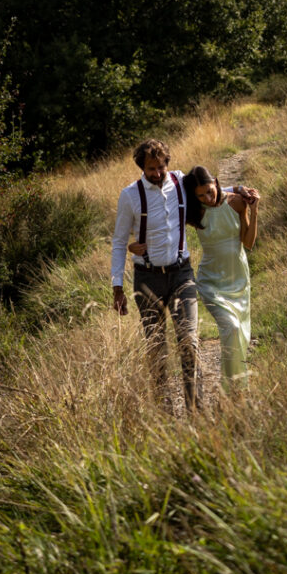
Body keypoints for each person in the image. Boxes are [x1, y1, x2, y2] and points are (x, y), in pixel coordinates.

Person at [112, 138, 253, 415]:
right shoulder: (129, 195)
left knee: (189, 342)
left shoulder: (178, 182)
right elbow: (118, 242)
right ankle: (164, 412)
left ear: (167, 163)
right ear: (142, 167)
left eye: (160, 166)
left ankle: (195, 411)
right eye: (150, 168)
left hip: (182, 274)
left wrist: (238, 189)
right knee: (157, 349)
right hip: (146, 278)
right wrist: (117, 287)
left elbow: (210, 190)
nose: (156, 173)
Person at [182, 165, 259, 392]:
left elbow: (248, 243)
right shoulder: (195, 210)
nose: (207, 197)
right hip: (211, 281)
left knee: (241, 334)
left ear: (216, 182)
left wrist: (253, 211)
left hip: (238, 278)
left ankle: (236, 392)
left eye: (210, 190)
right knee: (232, 329)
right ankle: (231, 390)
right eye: (201, 195)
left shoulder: (236, 202)